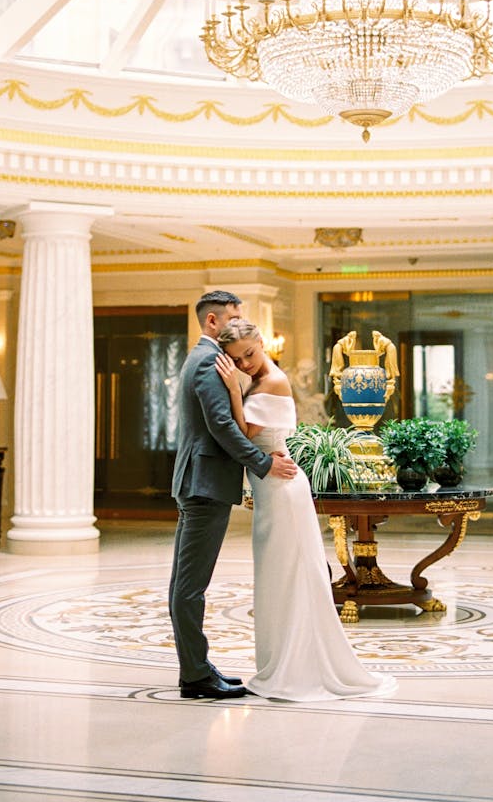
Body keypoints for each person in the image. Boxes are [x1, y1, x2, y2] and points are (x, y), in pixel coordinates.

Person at [216, 318, 397, 702]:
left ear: (261, 343)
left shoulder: (274, 382)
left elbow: (240, 435)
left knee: (292, 576)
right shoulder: (259, 381)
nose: (246, 363)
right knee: (277, 578)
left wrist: (234, 389)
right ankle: (279, 661)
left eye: (249, 354)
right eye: (237, 360)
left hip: (283, 492)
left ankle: (298, 668)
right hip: (271, 490)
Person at [169, 290, 298, 700]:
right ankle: (195, 675)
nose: (238, 323)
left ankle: (198, 667)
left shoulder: (207, 357)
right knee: (190, 586)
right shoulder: (209, 360)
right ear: (212, 322)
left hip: (198, 482)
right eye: (232, 316)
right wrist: (263, 465)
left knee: (185, 583)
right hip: (204, 485)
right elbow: (223, 427)